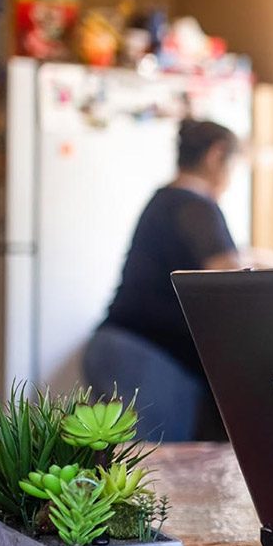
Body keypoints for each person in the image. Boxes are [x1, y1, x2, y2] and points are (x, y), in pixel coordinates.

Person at [83, 118, 243, 442]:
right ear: (217, 155)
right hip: (149, 361)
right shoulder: (198, 206)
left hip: (114, 347)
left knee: (124, 478)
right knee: (158, 478)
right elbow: (231, 284)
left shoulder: (164, 200)